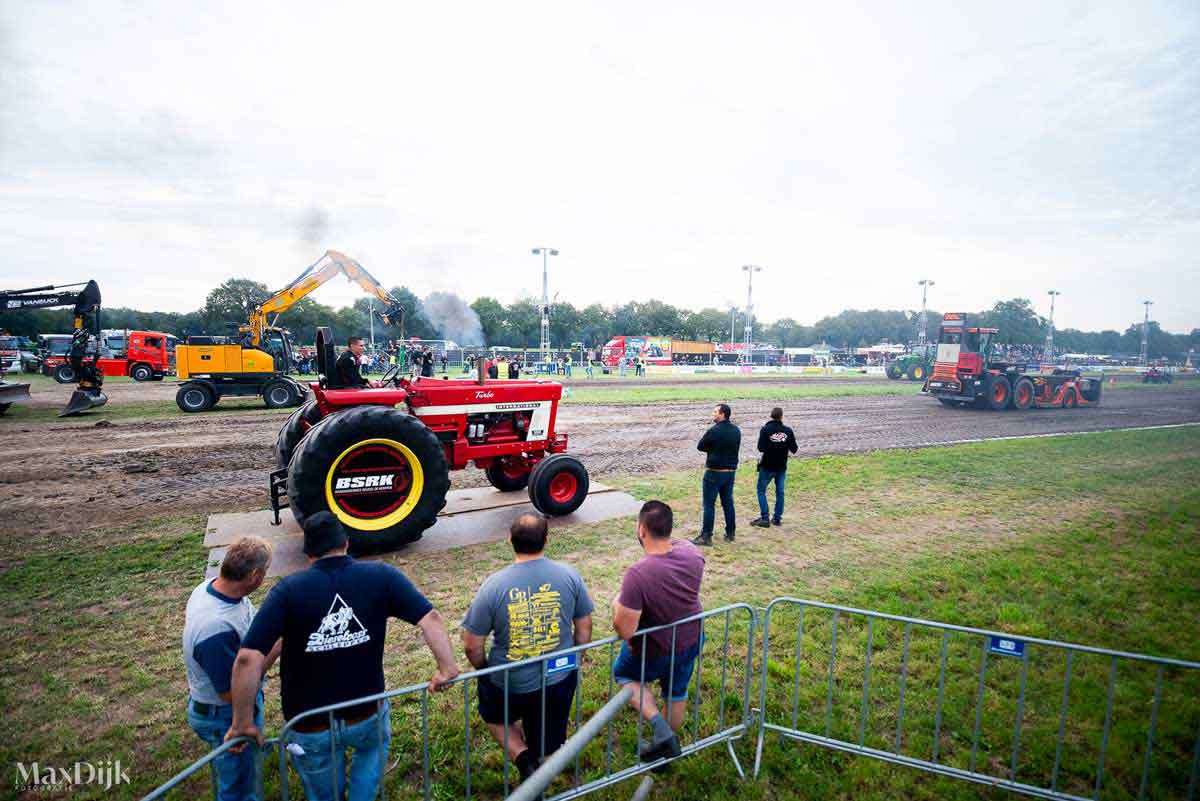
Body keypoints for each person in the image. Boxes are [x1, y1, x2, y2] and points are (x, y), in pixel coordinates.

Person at [226, 513, 459, 801]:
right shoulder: (382, 576)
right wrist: (447, 669)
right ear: (347, 543)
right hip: (366, 712)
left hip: (311, 723)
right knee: (369, 763)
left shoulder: (287, 591)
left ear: (308, 554)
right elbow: (431, 618)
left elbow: (247, 659)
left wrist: (242, 723)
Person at [461, 514, 594, 781]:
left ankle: (522, 757)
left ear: (510, 540)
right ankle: (544, 759)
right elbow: (584, 629)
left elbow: (472, 645)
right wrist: (575, 658)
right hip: (559, 675)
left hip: (509, 681)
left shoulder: (493, 586)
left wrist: (485, 671)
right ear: (546, 539)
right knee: (549, 728)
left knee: (494, 716)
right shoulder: (570, 575)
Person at [184, 537, 278, 801]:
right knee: (238, 789)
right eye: (266, 570)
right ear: (254, 575)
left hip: (228, 708)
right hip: (224, 716)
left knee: (245, 772)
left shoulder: (210, 589)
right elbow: (231, 693)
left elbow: (249, 626)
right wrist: (280, 644)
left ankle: (253, 754)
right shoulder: (215, 628)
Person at [612, 501, 704, 766]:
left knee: (625, 674)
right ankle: (666, 749)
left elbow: (625, 628)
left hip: (656, 649)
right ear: (669, 528)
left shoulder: (638, 574)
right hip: (690, 638)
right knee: (676, 691)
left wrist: (618, 603)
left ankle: (658, 726)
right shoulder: (692, 552)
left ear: (642, 530)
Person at [693, 403, 740, 546]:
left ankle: (706, 536)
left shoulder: (714, 431)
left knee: (709, 505)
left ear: (723, 414)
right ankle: (730, 533)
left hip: (714, 473)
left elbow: (700, 446)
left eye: (715, 412)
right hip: (730, 473)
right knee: (728, 503)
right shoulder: (736, 430)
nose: (713, 414)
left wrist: (713, 449)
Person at [752, 407, 798, 527]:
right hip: (781, 467)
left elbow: (760, 448)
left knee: (761, 491)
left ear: (771, 416)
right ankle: (777, 518)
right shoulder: (788, 431)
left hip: (767, 466)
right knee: (780, 492)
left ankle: (765, 518)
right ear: (781, 416)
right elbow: (794, 449)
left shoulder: (765, 429)